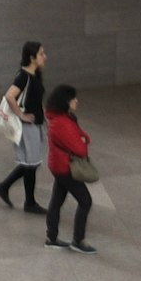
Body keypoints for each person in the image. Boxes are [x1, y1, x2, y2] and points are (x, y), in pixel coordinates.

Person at [0, 42, 49, 211]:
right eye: (41, 54)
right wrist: (21, 115)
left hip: (36, 123)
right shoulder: (23, 76)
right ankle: (29, 202)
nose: (44, 56)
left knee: (31, 163)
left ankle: (6, 187)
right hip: (28, 126)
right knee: (31, 163)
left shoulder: (35, 74)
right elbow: (10, 96)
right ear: (32, 58)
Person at [42, 83, 95, 253]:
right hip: (65, 168)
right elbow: (80, 148)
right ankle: (78, 240)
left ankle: (52, 237)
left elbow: (81, 135)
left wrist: (83, 139)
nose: (76, 101)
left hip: (59, 165)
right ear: (66, 101)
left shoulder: (63, 118)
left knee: (57, 200)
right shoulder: (62, 123)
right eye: (73, 99)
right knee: (85, 201)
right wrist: (83, 142)